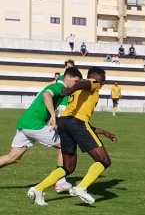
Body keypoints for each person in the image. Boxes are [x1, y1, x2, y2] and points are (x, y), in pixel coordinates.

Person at [28, 67, 117, 206]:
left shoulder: (84, 91)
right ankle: (81, 188)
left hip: (64, 122)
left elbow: (79, 124)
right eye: (103, 79)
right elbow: (86, 84)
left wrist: (104, 132)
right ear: (96, 78)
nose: (103, 83)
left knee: (68, 167)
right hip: (76, 123)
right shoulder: (91, 84)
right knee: (104, 160)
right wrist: (72, 89)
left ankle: (37, 189)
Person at [0, 67, 83, 194]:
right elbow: (46, 95)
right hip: (34, 124)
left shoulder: (61, 87)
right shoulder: (59, 87)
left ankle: (60, 180)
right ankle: (60, 182)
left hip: (25, 123)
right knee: (65, 145)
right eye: (76, 81)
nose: (77, 84)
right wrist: (52, 115)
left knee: (13, 157)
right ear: (67, 78)